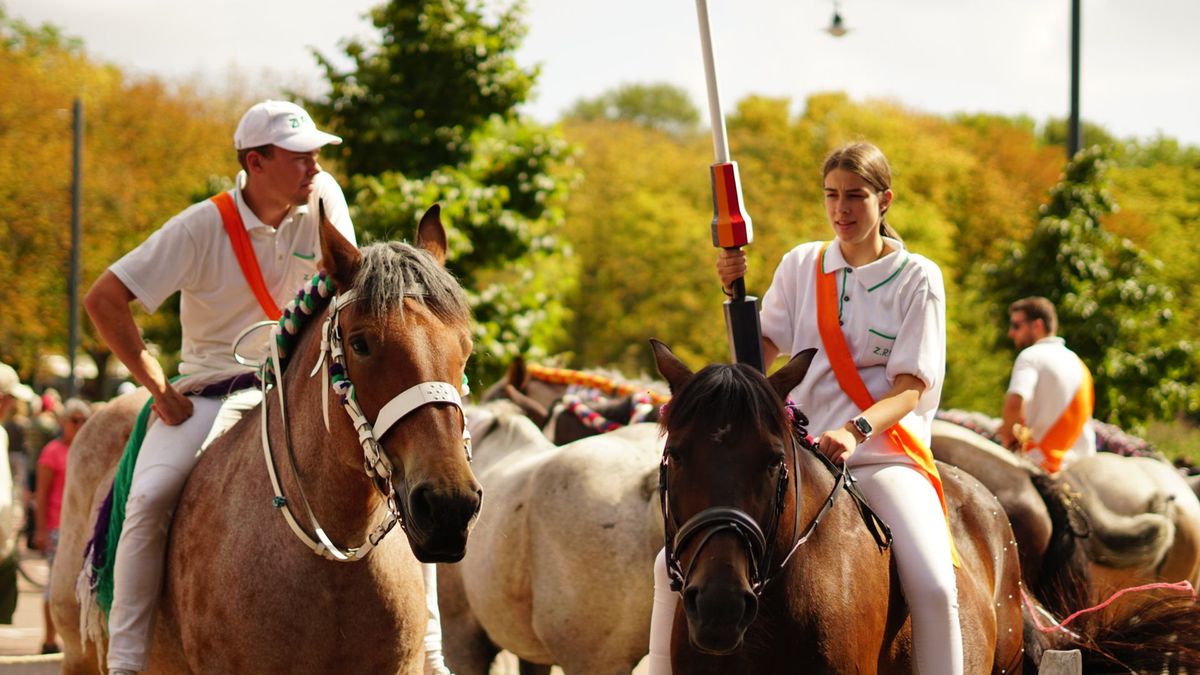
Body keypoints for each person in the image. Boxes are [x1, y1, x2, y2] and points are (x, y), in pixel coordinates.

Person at [83, 100, 450, 675]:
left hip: (302, 385)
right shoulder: (201, 225)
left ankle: (430, 649)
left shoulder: (324, 196)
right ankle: (126, 659)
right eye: (300, 157)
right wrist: (157, 387)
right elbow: (103, 300)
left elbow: (353, 287)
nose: (314, 167)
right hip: (211, 392)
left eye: (316, 156)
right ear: (256, 162)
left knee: (400, 469)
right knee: (149, 497)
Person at [648, 142, 960, 674]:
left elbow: (910, 388)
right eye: (832, 196)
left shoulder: (918, 277)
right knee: (668, 564)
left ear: (885, 200)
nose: (842, 209)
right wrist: (733, 295)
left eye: (856, 196)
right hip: (796, 455)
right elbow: (756, 358)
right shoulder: (801, 264)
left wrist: (856, 430)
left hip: (885, 455)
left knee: (933, 583)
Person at [997, 296, 1096, 473]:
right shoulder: (1079, 364)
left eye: (1016, 326)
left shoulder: (1031, 356)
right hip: (1083, 470)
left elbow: (1015, 401)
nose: (1011, 333)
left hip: (1042, 466)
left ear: (1037, 326)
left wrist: (1008, 437)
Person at [34, 397, 92, 653]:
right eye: (74, 421)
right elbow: (42, 493)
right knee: (55, 585)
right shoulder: (52, 451)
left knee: (82, 585)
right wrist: (40, 530)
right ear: (63, 422)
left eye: (84, 421)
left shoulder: (90, 451)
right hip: (57, 527)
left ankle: (79, 639)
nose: (79, 426)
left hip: (83, 529)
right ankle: (49, 639)